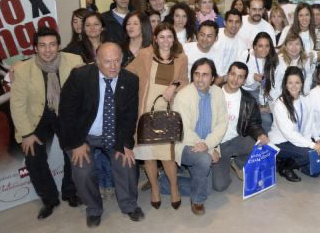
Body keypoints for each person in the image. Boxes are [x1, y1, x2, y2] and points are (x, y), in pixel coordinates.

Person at [59, 43, 143, 227]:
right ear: (97, 61)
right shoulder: (80, 77)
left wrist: (125, 144)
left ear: (122, 60)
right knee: (82, 170)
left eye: (117, 61)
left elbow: (130, 116)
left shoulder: (130, 80)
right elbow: (66, 113)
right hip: (83, 134)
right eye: (107, 62)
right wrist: (77, 143)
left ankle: (129, 204)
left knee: (127, 162)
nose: (113, 66)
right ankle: (94, 209)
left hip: (114, 133)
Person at [10, 27, 83, 219]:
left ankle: (70, 191)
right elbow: (17, 104)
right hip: (36, 116)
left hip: (66, 114)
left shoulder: (74, 61)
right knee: (33, 158)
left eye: (52, 45)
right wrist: (27, 134)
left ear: (59, 46)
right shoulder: (23, 69)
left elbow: (84, 91)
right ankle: (49, 199)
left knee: (73, 152)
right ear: (35, 48)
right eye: (42, 45)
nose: (48, 50)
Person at [126, 23, 188, 211]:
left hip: (167, 112)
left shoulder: (181, 57)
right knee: (148, 155)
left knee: (167, 156)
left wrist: (174, 85)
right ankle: (155, 189)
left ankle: (174, 188)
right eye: (162, 37)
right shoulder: (145, 54)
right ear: (155, 38)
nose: (166, 41)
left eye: (169, 36)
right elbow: (128, 71)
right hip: (146, 111)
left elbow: (185, 80)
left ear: (174, 39)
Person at [172, 58, 227, 215]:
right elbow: (185, 131)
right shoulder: (183, 96)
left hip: (207, 144)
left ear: (212, 78)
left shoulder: (217, 93)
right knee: (204, 160)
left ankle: (166, 180)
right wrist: (209, 150)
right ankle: (197, 200)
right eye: (196, 74)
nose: (200, 79)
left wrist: (209, 144)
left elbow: (222, 123)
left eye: (205, 75)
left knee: (207, 188)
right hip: (186, 144)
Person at [212, 62, 269, 192]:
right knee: (219, 186)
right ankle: (224, 162)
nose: (235, 79)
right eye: (233, 74)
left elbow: (254, 123)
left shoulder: (248, 99)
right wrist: (210, 148)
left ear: (244, 81)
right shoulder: (212, 93)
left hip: (236, 140)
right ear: (227, 75)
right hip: (216, 145)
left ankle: (238, 162)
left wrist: (260, 134)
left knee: (260, 143)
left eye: (240, 77)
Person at [269, 66, 320, 182]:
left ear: (302, 84)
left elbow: (311, 122)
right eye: (290, 83)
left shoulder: (305, 99)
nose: (294, 86)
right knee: (309, 154)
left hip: (298, 140)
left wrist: (317, 139)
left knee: (315, 172)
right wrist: (311, 145)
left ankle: (291, 160)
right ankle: (284, 166)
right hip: (281, 142)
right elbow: (289, 133)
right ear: (285, 84)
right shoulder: (280, 104)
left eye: (297, 82)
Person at [242, 32, 279, 132]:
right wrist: (252, 77)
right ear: (254, 46)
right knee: (266, 120)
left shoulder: (272, 59)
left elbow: (269, 85)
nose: (264, 49)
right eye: (260, 46)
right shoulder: (246, 55)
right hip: (245, 91)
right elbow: (238, 77)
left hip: (263, 92)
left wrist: (267, 105)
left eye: (267, 46)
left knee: (274, 116)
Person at [272, 33, 314, 102]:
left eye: (297, 44)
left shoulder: (305, 59)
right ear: (285, 47)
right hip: (280, 97)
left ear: (301, 47)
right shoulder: (279, 60)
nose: (294, 47)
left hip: (298, 95)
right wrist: (281, 101)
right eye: (290, 44)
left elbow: (308, 76)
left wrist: (305, 93)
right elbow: (276, 85)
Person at [214, 9, 248, 84]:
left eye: (237, 22)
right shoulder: (214, 34)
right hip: (209, 77)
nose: (233, 25)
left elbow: (239, 67)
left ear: (241, 24)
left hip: (228, 81)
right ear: (224, 22)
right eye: (230, 21)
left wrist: (224, 79)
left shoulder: (242, 44)